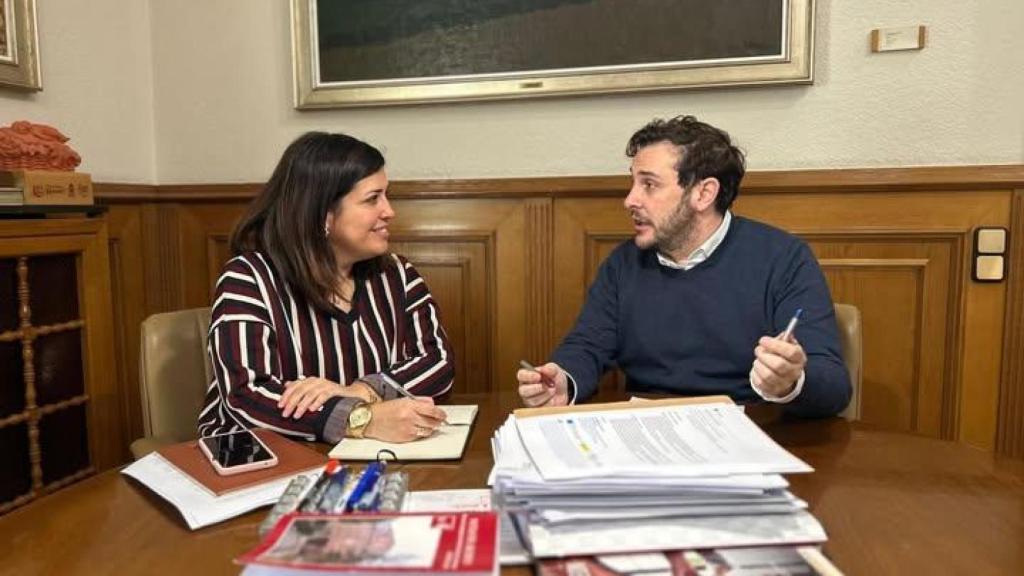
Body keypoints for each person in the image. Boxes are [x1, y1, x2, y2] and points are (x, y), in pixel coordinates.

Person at [517, 116, 850, 416]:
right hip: (646, 438)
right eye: (632, 182)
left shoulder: (784, 258)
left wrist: (790, 382)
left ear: (703, 194)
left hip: (750, 437)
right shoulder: (623, 264)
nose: (630, 199)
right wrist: (564, 380)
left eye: (649, 184)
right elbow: (587, 346)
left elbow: (833, 385)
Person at [198, 132, 453, 444]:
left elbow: (437, 361)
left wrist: (361, 390)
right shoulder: (248, 278)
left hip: (368, 455)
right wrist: (360, 418)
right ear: (323, 214)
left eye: (386, 195)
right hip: (258, 461)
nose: (389, 211)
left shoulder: (397, 274)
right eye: (372, 199)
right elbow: (247, 395)